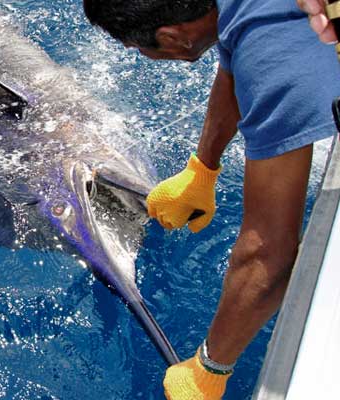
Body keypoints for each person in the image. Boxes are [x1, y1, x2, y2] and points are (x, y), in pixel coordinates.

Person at [83, 0, 340, 399]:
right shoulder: (235, 9)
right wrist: (202, 168)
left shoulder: (269, 63)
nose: (144, 57)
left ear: (172, 37)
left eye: (140, 49)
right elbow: (238, 61)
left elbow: (268, 254)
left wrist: (210, 367)